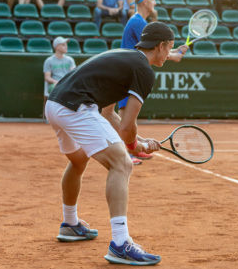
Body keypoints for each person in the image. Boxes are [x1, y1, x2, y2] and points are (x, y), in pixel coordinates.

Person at [44, 22, 178, 266]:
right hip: (76, 107)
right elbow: (126, 128)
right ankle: (120, 243)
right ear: (159, 46)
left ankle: (70, 224)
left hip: (54, 105)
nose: (169, 54)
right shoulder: (144, 70)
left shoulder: (125, 59)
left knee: (78, 160)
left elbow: (108, 114)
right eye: (169, 48)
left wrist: (140, 140)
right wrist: (136, 145)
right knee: (122, 164)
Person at [120, 0, 188, 163]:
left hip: (130, 69)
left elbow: (160, 47)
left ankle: (130, 148)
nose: (155, 2)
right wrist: (174, 55)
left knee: (126, 115)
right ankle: (126, 152)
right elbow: (156, 47)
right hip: (128, 71)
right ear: (144, 1)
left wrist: (175, 51)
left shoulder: (138, 21)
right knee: (125, 115)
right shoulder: (138, 22)